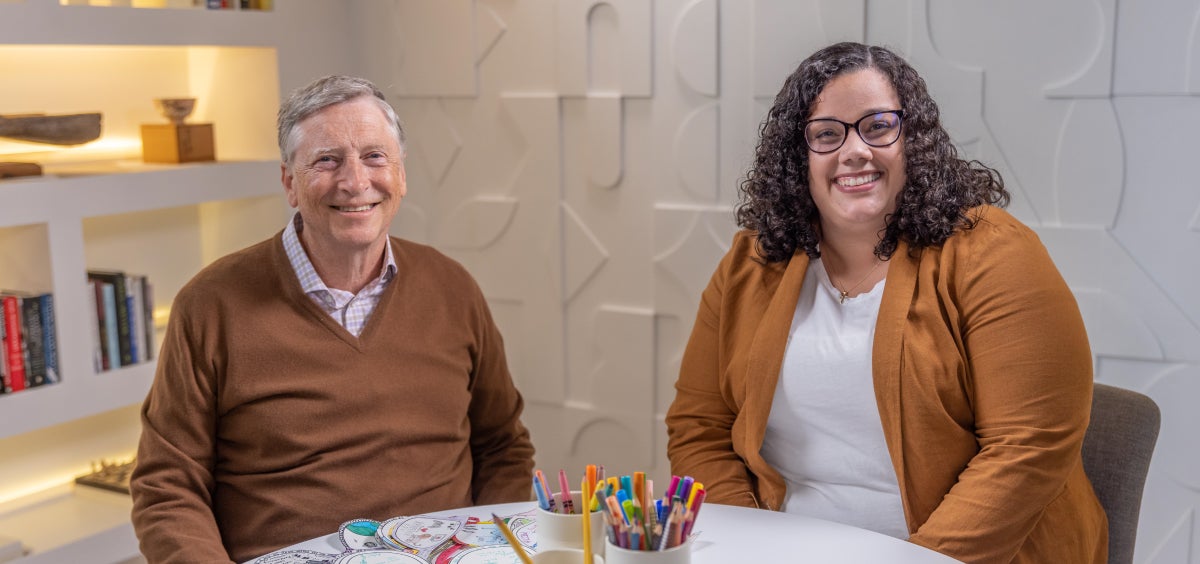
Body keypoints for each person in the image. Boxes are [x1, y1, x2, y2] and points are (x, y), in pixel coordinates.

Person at [664, 42, 1106, 563]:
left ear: (912, 139)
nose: (855, 150)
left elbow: (1028, 448)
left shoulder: (994, 252)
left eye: (877, 126)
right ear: (798, 157)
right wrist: (749, 544)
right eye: (827, 134)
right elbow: (699, 429)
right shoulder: (751, 261)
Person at [130, 75, 536, 563]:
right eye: (326, 160)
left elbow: (502, 445)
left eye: (374, 156)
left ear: (401, 175)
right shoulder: (210, 305)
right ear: (290, 184)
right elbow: (167, 487)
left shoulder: (452, 287)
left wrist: (493, 549)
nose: (355, 182)